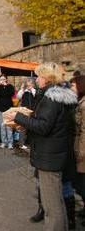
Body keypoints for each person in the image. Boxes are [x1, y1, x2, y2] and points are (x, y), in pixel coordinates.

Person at [6, 62, 78, 231]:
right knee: (56, 201)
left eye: (39, 76)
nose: (36, 79)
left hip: (50, 156)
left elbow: (43, 127)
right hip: (54, 153)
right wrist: (27, 122)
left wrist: (19, 117)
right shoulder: (58, 95)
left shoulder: (51, 98)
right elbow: (48, 124)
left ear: (46, 78)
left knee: (52, 206)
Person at [70, 75, 85, 227]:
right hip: (79, 147)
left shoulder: (84, 105)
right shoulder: (79, 102)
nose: (71, 89)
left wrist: (80, 153)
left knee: (81, 184)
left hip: (82, 150)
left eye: (73, 87)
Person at [0, 74, 15, 149]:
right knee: (2, 126)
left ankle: (10, 143)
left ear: (6, 79)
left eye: (3, 79)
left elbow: (12, 94)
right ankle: (3, 142)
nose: (2, 80)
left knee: (8, 126)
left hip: (8, 109)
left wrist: (6, 86)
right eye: (1, 79)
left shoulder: (10, 86)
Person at [16, 78, 36, 149]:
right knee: (23, 127)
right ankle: (21, 143)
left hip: (32, 111)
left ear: (33, 84)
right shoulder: (23, 91)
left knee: (32, 127)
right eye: (28, 84)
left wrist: (32, 90)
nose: (29, 86)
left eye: (31, 84)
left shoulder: (34, 91)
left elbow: (36, 97)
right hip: (24, 110)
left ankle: (31, 143)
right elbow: (18, 96)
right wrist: (22, 89)